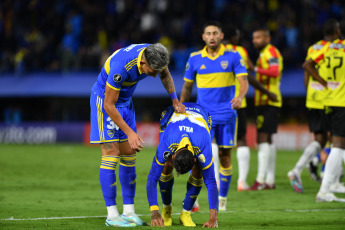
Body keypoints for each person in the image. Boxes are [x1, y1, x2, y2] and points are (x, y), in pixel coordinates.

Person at [90, 43, 185, 227]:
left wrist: (174, 99)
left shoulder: (155, 54)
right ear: (143, 62)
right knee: (111, 155)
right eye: (153, 70)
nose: (155, 74)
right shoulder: (121, 67)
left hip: (125, 103)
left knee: (129, 154)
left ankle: (129, 212)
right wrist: (130, 132)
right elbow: (109, 105)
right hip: (105, 103)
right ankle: (112, 215)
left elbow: (165, 73)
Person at [180, 20, 249, 210]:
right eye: (208, 33)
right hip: (203, 117)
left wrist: (240, 97)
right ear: (203, 37)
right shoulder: (194, 58)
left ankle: (222, 200)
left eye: (215, 33)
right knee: (196, 158)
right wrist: (181, 106)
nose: (212, 37)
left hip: (227, 115)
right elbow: (187, 86)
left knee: (224, 156)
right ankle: (193, 198)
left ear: (221, 36)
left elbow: (243, 81)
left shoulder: (234, 57)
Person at [288, 19, 342, 193]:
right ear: (337, 31)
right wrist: (324, 84)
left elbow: (306, 72)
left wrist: (309, 93)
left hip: (313, 98)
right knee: (334, 139)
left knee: (323, 139)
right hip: (330, 97)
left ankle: (312, 167)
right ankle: (328, 178)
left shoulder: (314, 48)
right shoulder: (336, 48)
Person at [223, 26, 278, 191]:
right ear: (234, 37)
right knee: (241, 141)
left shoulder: (212, 52)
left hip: (217, 103)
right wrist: (266, 91)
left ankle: (216, 182)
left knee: (216, 141)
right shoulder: (239, 51)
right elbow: (246, 76)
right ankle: (242, 182)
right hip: (238, 102)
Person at [146, 103, 218, 228]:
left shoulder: (204, 145)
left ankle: (186, 213)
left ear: (195, 160)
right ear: (173, 156)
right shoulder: (167, 142)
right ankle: (166, 210)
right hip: (171, 116)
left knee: (200, 170)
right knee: (166, 165)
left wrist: (213, 219)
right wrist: (154, 212)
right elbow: (152, 178)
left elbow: (211, 182)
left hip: (202, 115)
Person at [303, 38, 345, 202]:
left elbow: (307, 65)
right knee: (338, 145)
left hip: (328, 100)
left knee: (338, 144)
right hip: (341, 100)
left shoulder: (327, 48)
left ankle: (330, 185)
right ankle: (325, 189)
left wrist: (323, 82)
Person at [249, 28, 283, 190]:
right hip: (266, 101)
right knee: (268, 140)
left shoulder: (271, 52)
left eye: (258, 37)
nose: (254, 40)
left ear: (267, 38)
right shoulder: (264, 54)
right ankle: (269, 180)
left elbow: (275, 72)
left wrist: (255, 69)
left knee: (262, 138)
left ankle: (260, 180)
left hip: (269, 100)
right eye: (254, 38)